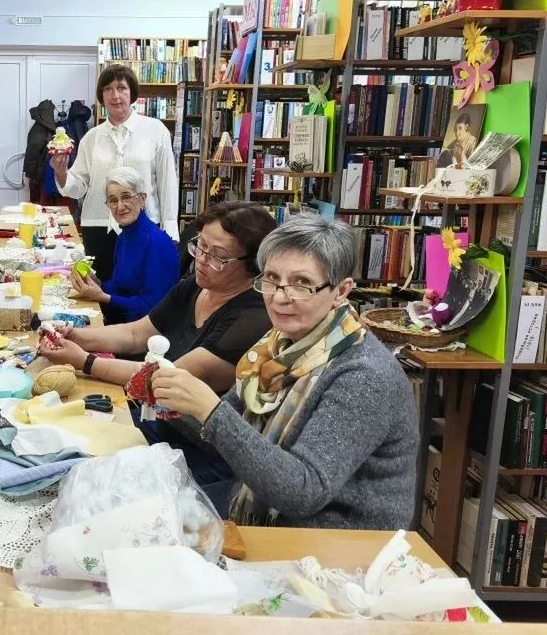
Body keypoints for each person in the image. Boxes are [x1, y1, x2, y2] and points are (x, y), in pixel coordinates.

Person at [150, 215, 419, 529]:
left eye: (301, 283)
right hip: (266, 507)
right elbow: (223, 438)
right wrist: (170, 398)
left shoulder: (363, 375)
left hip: (338, 539)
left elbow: (304, 492)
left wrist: (209, 409)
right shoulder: (277, 345)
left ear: (341, 291)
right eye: (272, 278)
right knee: (143, 506)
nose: (279, 297)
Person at [40, 201, 275, 394]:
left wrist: (85, 361)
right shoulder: (197, 285)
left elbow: (168, 377)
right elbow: (136, 334)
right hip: (150, 400)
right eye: (201, 245)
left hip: (178, 425)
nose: (201, 260)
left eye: (217, 256)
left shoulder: (252, 318)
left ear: (253, 265)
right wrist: (76, 336)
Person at [51, 64, 179, 283]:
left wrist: (170, 228)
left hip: (144, 225)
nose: (115, 95)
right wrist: (61, 172)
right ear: (101, 95)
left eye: (121, 88)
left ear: (132, 92)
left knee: (139, 290)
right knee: (99, 290)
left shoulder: (156, 130)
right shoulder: (92, 137)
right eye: (108, 89)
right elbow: (78, 186)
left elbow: (168, 182)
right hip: (98, 226)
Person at [70, 167, 179, 324]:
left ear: (142, 199)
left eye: (126, 197)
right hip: (126, 322)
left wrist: (103, 297)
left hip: (149, 330)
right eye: (113, 200)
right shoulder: (123, 237)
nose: (120, 207)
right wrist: (96, 282)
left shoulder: (156, 244)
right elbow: (119, 288)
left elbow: (153, 309)